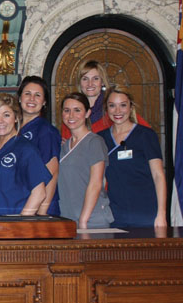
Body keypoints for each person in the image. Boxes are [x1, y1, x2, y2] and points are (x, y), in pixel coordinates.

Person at [98, 86, 167, 228]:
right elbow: (99, 179)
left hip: (146, 215)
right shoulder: (100, 138)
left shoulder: (146, 135)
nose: (118, 111)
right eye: (112, 106)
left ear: (131, 107)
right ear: (106, 109)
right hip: (115, 215)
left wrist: (161, 214)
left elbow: (158, 176)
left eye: (123, 105)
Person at [0, 93, 51, 216]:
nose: (0, 121)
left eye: (6, 115)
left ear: (16, 117)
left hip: (13, 224)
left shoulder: (25, 148)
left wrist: (21, 222)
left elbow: (39, 192)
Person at [59, 92, 114, 228]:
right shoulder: (64, 145)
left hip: (91, 219)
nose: (71, 115)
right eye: (67, 110)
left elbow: (96, 183)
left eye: (77, 110)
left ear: (87, 113)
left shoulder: (94, 142)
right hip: (69, 217)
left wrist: (83, 220)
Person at [61, 60, 150, 139]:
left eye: (95, 78)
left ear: (102, 81)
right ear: (79, 83)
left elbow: (147, 134)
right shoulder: (71, 112)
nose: (90, 83)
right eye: (85, 79)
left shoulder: (113, 107)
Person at [17, 76, 61, 215]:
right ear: (19, 98)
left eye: (37, 95)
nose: (32, 99)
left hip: (38, 209)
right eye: (27, 94)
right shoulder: (12, 129)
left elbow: (52, 174)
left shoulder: (45, 131)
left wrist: (41, 214)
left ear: (44, 102)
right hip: (21, 203)